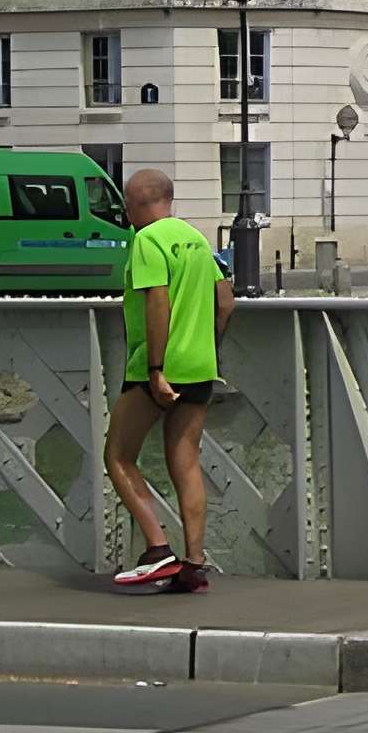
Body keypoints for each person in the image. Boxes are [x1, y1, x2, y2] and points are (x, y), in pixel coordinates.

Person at [102, 169, 233, 593]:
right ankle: (194, 565)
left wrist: (157, 368)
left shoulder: (147, 240)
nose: (124, 211)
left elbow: (157, 299)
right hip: (199, 366)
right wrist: (205, 345)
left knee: (118, 456)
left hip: (155, 368)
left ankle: (157, 550)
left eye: (126, 202)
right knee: (186, 461)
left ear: (138, 202)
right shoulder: (196, 239)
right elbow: (225, 300)